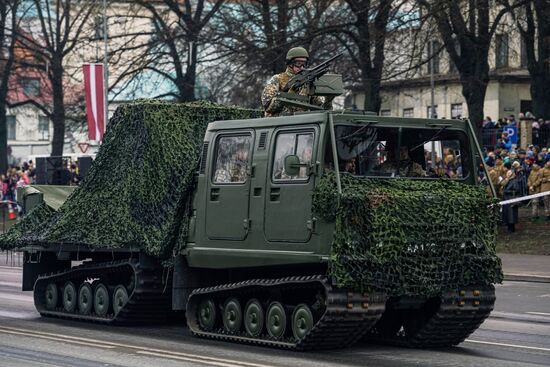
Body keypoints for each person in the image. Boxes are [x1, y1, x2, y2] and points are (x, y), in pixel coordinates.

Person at [261, 46, 333, 117]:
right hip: (280, 124)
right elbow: (268, 107)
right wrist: (287, 95)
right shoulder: (277, 79)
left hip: (301, 124)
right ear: (290, 63)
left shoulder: (308, 83)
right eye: (298, 64)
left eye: (304, 64)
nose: (302, 67)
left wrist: (328, 101)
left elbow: (322, 111)